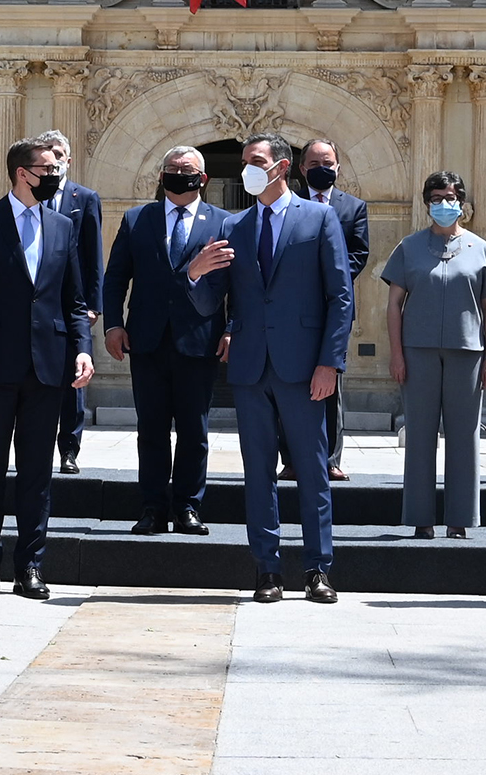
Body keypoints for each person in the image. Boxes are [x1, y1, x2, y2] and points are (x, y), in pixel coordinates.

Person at [187, 133, 353, 605]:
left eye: (255, 161)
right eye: (243, 162)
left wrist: (330, 363)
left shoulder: (319, 218)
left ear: (282, 167)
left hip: (304, 367)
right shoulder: (234, 224)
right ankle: (267, 568)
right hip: (250, 367)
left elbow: (340, 297)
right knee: (256, 471)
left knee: (312, 470)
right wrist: (195, 273)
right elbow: (207, 301)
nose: (246, 169)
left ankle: (318, 569)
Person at [0, 138, 96, 599]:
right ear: (21, 173)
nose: (55, 174)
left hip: (48, 369)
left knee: (37, 474)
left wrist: (83, 347)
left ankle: (30, 567)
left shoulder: (62, 225)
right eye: (47, 167)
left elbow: (74, 300)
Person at [102, 145, 231, 536]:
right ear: (161, 176)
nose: (179, 173)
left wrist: (232, 328)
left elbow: (236, 283)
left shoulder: (223, 222)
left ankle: (188, 506)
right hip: (146, 340)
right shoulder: (137, 219)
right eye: (172, 168)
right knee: (152, 429)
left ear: (203, 179)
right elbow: (115, 277)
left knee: (195, 429)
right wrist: (112, 325)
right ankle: (153, 507)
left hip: (199, 340)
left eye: (187, 169)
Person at [382, 171, 486, 539]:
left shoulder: (479, 248)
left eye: (451, 197)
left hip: (467, 352)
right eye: (437, 198)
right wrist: (397, 354)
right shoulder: (409, 247)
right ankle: (421, 518)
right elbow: (393, 305)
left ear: (462, 203)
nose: (444, 204)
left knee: (464, 436)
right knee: (419, 434)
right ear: (427, 202)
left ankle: (460, 518)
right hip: (417, 352)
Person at [297, 138, 369, 481]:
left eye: (327, 162)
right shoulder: (290, 204)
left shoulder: (353, 207)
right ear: (301, 169)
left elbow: (359, 254)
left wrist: (329, 278)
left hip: (334, 309)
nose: (321, 169)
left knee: (330, 385)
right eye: (314, 164)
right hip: (292, 308)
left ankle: (330, 459)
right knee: (290, 382)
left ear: (338, 167)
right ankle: (292, 459)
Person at [37, 129, 103, 475]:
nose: (54, 159)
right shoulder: (29, 195)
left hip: (72, 301)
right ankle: (38, 445)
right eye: (47, 152)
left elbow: (94, 255)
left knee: (74, 376)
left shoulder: (84, 197)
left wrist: (94, 304)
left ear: (69, 159)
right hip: (39, 301)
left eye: (59, 153)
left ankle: (69, 449)